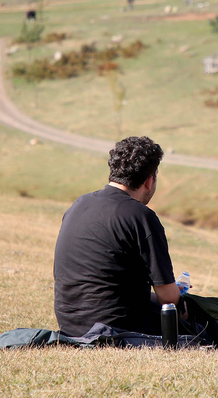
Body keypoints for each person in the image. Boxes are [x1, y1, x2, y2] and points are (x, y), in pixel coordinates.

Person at [53, 136, 181, 337]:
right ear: (149, 181)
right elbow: (169, 298)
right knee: (199, 322)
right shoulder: (141, 216)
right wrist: (178, 294)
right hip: (119, 326)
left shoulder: (80, 204)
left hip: (70, 324)